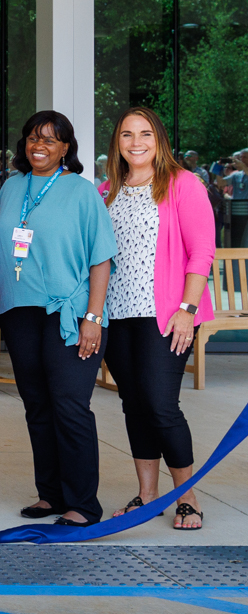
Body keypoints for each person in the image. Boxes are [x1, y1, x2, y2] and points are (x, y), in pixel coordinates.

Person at [0, 110, 117, 526]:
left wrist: (93, 316)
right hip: (20, 311)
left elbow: (101, 259)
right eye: (33, 137)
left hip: (70, 313)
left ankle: (82, 505)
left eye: (50, 140)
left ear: (66, 149)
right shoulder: (12, 187)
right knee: (37, 405)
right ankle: (51, 495)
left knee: (69, 406)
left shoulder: (81, 191)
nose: (39, 145)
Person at [101, 107, 214, 530]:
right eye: (127, 134)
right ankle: (148, 495)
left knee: (161, 404)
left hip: (166, 315)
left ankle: (188, 497)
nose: (136, 142)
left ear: (159, 139)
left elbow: (202, 251)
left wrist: (187, 310)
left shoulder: (183, 184)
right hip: (119, 313)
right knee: (134, 404)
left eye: (145, 133)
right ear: (118, 142)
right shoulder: (108, 190)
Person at [224, 150, 248, 247]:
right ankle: (237, 262)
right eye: (241, 157)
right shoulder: (236, 174)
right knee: (238, 241)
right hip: (237, 212)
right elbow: (221, 183)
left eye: (245, 157)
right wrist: (218, 168)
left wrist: (244, 167)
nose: (242, 160)